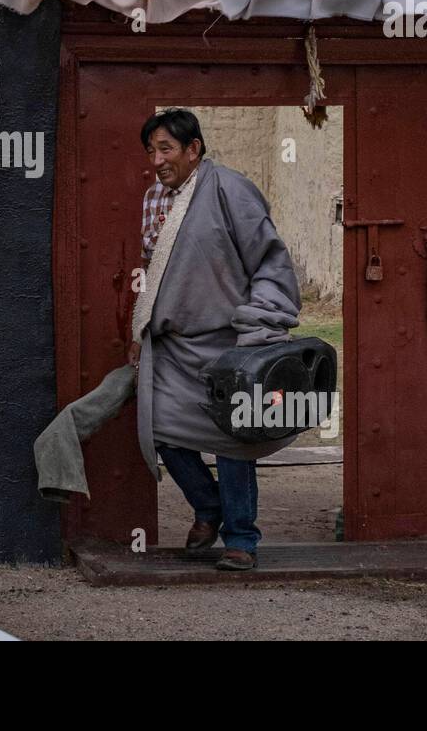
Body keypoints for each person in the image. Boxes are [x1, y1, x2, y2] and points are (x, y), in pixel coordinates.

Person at [128, 108, 302, 571]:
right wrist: (139, 327)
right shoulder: (153, 198)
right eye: (152, 151)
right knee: (161, 428)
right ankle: (209, 507)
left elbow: (268, 258)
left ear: (193, 149)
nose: (158, 160)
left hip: (231, 342)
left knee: (233, 439)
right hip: (173, 346)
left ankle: (241, 537)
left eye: (166, 149)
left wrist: (263, 320)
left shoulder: (230, 189)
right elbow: (152, 269)